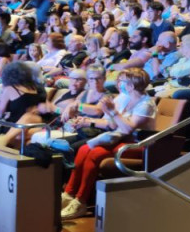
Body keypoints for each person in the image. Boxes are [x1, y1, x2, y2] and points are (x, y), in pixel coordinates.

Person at [61, 68, 156, 220]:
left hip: (138, 144)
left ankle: (81, 201)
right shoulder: (123, 97)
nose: (118, 83)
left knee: (95, 153)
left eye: (122, 81)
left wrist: (113, 112)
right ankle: (68, 193)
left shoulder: (146, 103)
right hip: (118, 139)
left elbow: (128, 128)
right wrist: (89, 121)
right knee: (84, 149)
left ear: (131, 85)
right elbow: (112, 125)